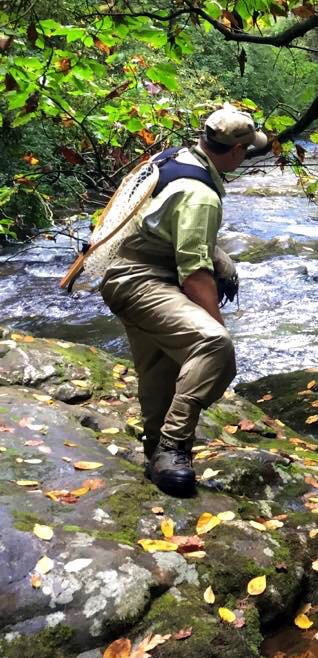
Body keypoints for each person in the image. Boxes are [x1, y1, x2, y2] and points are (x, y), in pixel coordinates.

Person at [100, 106, 267, 495]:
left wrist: (219, 256)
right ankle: (173, 447)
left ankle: (155, 455)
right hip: (142, 281)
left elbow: (161, 221)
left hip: (123, 274)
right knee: (212, 345)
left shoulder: (175, 158)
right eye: (246, 151)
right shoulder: (201, 195)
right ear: (236, 151)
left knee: (161, 368)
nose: (246, 157)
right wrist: (216, 325)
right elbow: (194, 274)